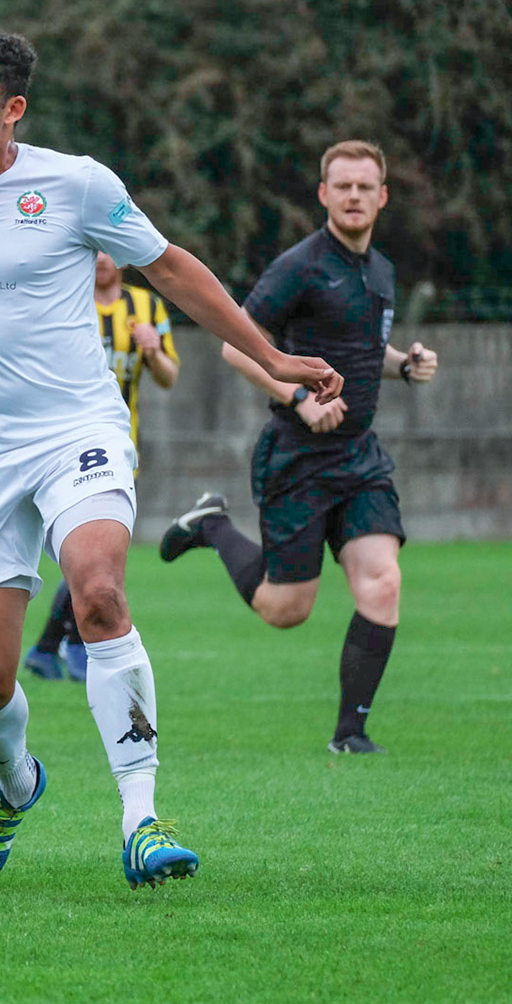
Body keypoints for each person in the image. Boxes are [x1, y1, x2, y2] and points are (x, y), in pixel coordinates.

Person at [0, 27, 339, 889]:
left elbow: (175, 270)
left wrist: (273, 358)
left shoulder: (76, 184)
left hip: (77, 430)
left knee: (99, 591)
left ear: (13, 106)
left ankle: (142, 818)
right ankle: (14, 785)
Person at [159, 140, 436, 754]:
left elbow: (365, 351)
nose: (355, 196)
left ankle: (350, 735)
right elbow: (237, 346)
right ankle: (211, 526)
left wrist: (404, 365)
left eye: (366, 186)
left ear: (383, 195)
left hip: (360, 458)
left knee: (382, 583)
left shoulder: (382, 271)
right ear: (324, 194)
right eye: (343, 186)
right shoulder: (300, 267)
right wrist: (298, 400)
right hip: (296, 459)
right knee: (286, 609)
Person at [23, 252, 179, 682]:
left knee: (100, 557)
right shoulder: (65, 300)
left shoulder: (147, 307)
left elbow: (168, 376)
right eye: (94, 250)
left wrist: (153, 351)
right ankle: (67, 646)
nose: (103, 259)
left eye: (109, 250)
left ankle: (51, 647)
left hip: (117, 444)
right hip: (62, 444)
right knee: (91, 558)